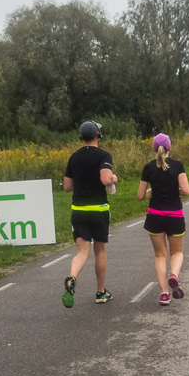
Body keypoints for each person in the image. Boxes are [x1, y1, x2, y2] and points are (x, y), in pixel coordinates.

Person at [62, 120, 118, 308]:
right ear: (98, 135)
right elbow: (105, 179)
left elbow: (67, 187)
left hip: (79, 210)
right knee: (99, 251)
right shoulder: (104, 155)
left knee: (81, 253)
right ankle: (101, 292)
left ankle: (72, 278)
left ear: (82, 137)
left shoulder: (74, 157)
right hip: (99, 210)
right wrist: (113, 178)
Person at [138, 133, 189, 306]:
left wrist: (152, 190)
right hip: (175, 214)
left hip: (155, 215)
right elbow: (186, 190)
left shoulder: (148, 168)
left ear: (154, 148)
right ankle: (174, 275)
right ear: (170, 147)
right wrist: (176, 191)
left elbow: (140, 196)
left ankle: (164, 293)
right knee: (177, 252)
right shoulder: (178, 166)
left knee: (160, 255)